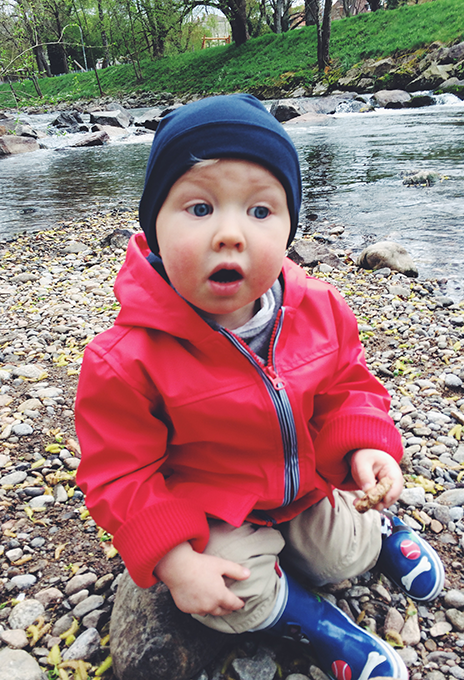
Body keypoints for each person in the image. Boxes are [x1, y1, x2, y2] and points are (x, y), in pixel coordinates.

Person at [75, 93, 445, 680]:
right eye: (199, 208)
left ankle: (382, 528)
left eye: (260, 210)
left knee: (343, 558)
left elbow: (348, 385)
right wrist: (172, 559)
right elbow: (120, 475)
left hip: (302, 487)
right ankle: (310, 621)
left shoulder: (318, 307)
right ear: (153, 225)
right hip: (216, 510)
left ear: (291, 225)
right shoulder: (124, 360)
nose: (230, 234)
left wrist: (364, 447)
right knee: (230, 596)